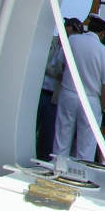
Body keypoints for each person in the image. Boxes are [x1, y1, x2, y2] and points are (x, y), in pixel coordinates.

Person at [51, 19, 105, 161]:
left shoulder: (73, 40)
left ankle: (56, 168)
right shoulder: (104, 52)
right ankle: (80, 176)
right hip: (91, 99)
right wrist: (102, 108)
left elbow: (59, 64)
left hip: (69, 91)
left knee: (62, 138)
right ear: (102, 33)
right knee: (86, 146)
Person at [35, 19, 78, 159]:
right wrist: (56, 72)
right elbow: (42, 63)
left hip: (55, 96)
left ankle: (41, 160)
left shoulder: (71, 49)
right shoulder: (50, 42)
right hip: (40, 91)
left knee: (48, 133)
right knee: (33, 125)